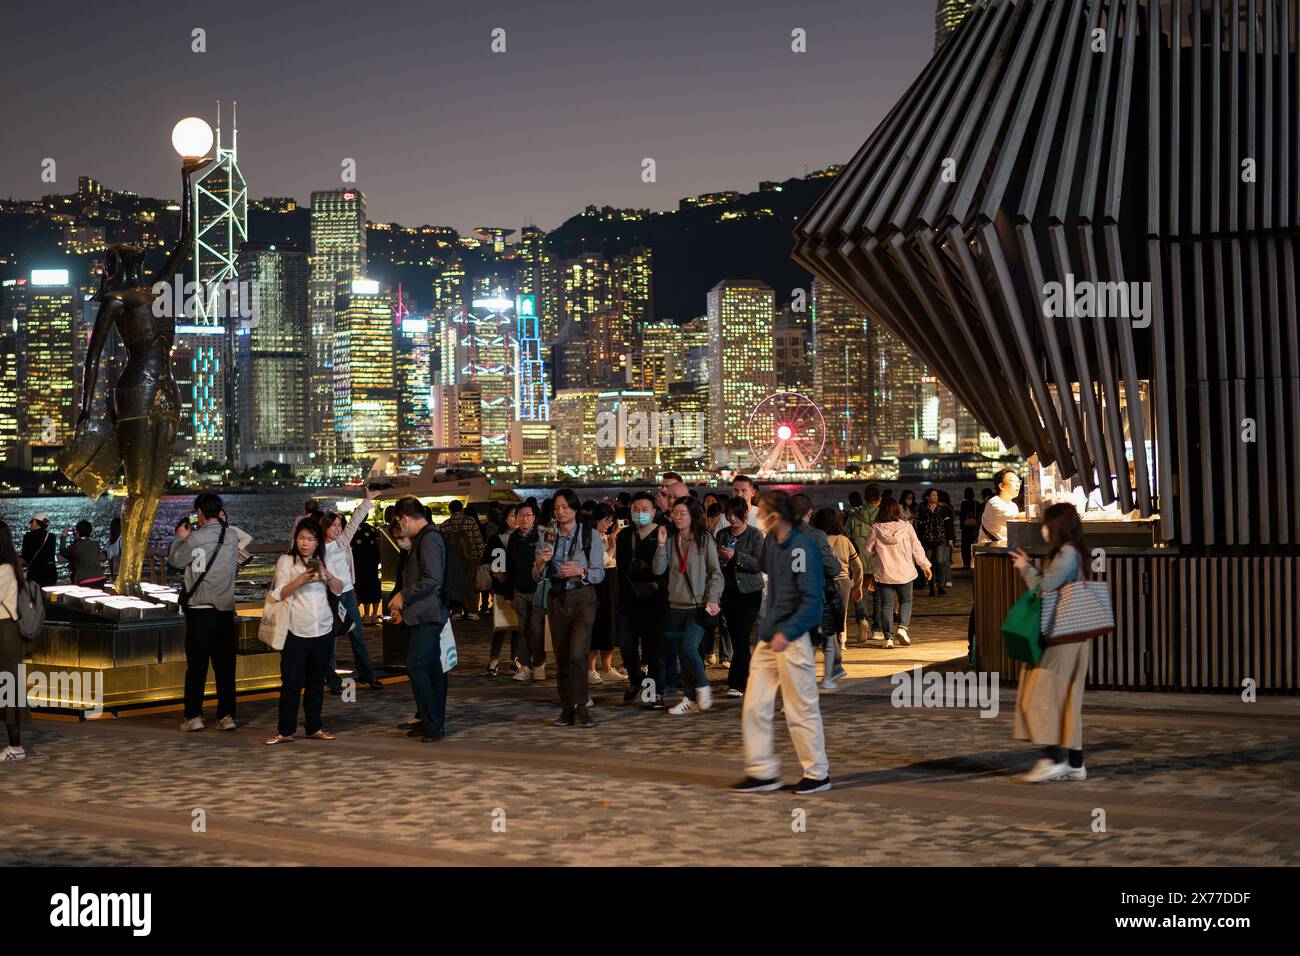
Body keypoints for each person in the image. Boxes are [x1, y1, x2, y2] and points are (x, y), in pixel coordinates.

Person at [732, 490, 831, 795]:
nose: (758, 516)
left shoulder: (802, 546)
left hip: (793, 637)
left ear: (776, 515)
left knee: (799, 706)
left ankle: (817, 772)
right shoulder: (772, 544)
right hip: (770, 635)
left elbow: (811, 599)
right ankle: (762, 771)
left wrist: (787, 632)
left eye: (763, 512)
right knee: (754, 704)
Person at [1009, 503, 1091, 782]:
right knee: (1068, 698)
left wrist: (1024, 569)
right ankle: (1075, 763)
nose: (1043, 529)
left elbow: (1044, 589)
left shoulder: (1067, 551)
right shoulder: (1072, 551)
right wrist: (1032, 564)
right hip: (1073, 633)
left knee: (1042, 691)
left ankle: (1053, 758)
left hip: (1062, 634)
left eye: (1046, 524)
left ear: (1056, 526)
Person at [264, 518, 345, 745]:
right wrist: (300, 580)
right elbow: (278, 593)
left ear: (318, 541)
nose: (305, 543)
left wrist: (327, 576)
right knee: (291, 682)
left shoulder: (324, 559)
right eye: (301, 538)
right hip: (295, 630)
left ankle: (314, 726)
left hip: (323, 628)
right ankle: (285, 730)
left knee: (316, 682)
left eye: (310, 539)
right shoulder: (286, 561)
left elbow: (339, 589)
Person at [168, 493, 242, 732]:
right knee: (225, 667)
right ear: (219, 511)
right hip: (225, 610)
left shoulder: (194, 538)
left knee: (197, 667)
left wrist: (179, 538)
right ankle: (227, 715)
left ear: (199, 512)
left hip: (200, 611)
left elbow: (177, 561)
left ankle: (194, 716)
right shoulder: (231, 536)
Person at [534, 489, 604, 727]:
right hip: (557, 598)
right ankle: (567, 709)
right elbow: (536, 575)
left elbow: (599, 572)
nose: (560, 511)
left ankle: (582, 705)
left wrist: (580, 571)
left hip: (583, 597)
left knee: (577, 654)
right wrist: (541, 562)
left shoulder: (590, 535)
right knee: (563, 657)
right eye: (556, 507)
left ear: (575, 509)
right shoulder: (547, 535)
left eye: (565, 507)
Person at [387, 496, 450, 743]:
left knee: (416, 665)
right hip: (424, 612)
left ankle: (433, 722)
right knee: (432, 667)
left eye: (399, 523)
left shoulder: (430, 538)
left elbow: (433, 579)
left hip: (430, 613)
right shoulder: (424, 538)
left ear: (404, 518)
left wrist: (404, 595)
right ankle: (429, 720)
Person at [652, 496, 723, 715]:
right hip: (675, 605)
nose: (678, 517)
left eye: (683, 513)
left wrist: (713, 598)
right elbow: (658, 569)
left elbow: (716, 573)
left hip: (698, 605)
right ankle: (689, 698)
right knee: (682, 655)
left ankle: (703, 687)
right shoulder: (672, 540)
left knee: (689, 649)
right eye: (675, 513)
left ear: (693, 515)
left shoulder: (704, 539)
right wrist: (662, 544)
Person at [321, 489, 384, 692]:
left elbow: (355, 521)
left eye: (339, 525)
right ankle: (332, 680)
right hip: (330, 597)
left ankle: (367, 674)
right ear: (325, 527)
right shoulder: (318, 548)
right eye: (334, 526)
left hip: (348, 594)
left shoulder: (342, 542)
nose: (338, 529)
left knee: (357, 634)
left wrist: (367, 501)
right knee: (330, 640)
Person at [614, 492, 666, 706]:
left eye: (645, 510)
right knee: (626, 645)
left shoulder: (663, 533)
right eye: (636, 510)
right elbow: (620, 568)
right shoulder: (625, 535)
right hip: (629, 599)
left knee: (654, 649)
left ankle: (654, 694)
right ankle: (636, 679)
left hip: (656, 600)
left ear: (654, 512)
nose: (640, 513)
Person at [790, 494, 843, 688]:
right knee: (826, 637)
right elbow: (833, 567)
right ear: (809, 512)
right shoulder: (817, 535)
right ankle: (827, 679)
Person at [865, 498, 932, 649]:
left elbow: (867, 549)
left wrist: (877, 553)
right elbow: (917, 548)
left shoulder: (876, 529)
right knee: (906, 602)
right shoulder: (907, 527)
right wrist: (925, 566)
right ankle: (902, 628)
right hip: (905, 571)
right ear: (897, 510)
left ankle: (888, 639)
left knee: (886, 605)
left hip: (884, 572)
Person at [715, 497, 763, 698]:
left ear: (745, 514)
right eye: (729, 516)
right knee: (736, 637)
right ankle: (748, 678)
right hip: (728, 592)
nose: (732, 519)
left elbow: (760, 563)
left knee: (742, 635)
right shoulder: (722, 534)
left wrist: (735, 557)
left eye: (736, 515)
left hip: (750, 592)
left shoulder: (754, 535)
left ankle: (737, 683)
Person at [813, 507, 863, 690]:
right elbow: (858, 566)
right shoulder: (844, 540)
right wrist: (857, 586)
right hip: (843, 582)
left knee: (825, 617)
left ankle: (833, 655)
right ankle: (839, 646)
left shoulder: (816, 539)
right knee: (839, 614)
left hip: (822, 581)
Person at [506, 502, 547, 683]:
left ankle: (539, 664)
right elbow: (510, 566)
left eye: (528, 515)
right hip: (519, 590)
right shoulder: (514, 538)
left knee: (535, 629)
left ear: (534, 517)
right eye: (520, 515)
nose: (524, 518)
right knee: (522, 630)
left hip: (537, 589)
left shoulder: (541, 535)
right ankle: (525, 665)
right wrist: (509, 592)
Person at [0, 521, 30, 760]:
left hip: (5, 632)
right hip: (4, 632)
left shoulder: (5, 570)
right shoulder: (10, 567)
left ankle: (16, 747)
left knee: (9, 688)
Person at [586, 503, 625, 685]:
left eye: (611, 521)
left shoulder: (603, 535)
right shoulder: (591, 536)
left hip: (610, 583)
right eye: (606, 521)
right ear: (596, 519)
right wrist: (610, 547)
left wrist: (612, 538)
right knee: (596, 626)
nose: (608, 524)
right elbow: (598, 561)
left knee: (609, 624)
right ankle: (590, 669)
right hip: (598, 585)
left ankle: (607, 667)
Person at [845, 484, 884, 643]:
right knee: (879, 597)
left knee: (859, 594)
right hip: (880, 561)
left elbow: (846, 537)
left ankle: (861, 619)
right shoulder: (883, 515)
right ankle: (877, 629)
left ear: (865, 498)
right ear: (880, 499)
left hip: (859, 561)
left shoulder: (854, 516)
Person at [486, 504, 521, 676]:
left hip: (518, 587)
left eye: (519, 515)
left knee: (517, 627)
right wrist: (497, 572)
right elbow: (489, 559)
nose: (516, 519)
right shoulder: (496, 538)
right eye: (513, 515)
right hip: (501, 587)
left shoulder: (524, 537)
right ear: (506, 517)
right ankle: (494, 658)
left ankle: (515, 659)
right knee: (501, 625)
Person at [441, 499, 484, 620]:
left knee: (455, 585)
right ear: (461, 509)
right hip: (472, 558)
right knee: (471, 584)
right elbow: (478, 540)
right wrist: (481, 556)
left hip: (453, 561)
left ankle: (456, 612)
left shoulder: (445, 525)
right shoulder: (471, 521)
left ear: (450, 510)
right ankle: (472, 611)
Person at [916, 489, 955, 596]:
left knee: (940, 562)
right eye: (933, 495)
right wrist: (918, 541)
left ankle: (941, 586)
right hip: (927, 540)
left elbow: (948, 526)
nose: (936, 497)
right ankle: (932, 587)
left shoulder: (943, 509)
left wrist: (950, 539)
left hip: (940, 540)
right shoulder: (922, 510)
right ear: (927, 497)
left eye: (937, 495)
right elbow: (919, 528)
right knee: (929, 563)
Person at [351, 516, 383, 624]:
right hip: (372, 564)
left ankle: (365, 614)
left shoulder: (353, 531)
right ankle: (374, 614)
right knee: (373, 586)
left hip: (358, 565)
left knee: (361, 587)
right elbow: (378, 546)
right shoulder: (373, 529)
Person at [979, 468, 1022, 545]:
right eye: (1013, 481)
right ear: (1001, 486)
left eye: (1019, 482)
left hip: (1004, 549)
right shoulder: (994, 503)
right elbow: (1015, 517)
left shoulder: (1013, 505)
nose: (1018, 485)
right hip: (988, 552)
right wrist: (1039, 512)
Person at [61, 521, 106, 586]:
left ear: (78, 533)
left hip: (84, 580)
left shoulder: (75, 546)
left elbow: (63, 551)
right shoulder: (96, 544)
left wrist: (63, 536)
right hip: (100, 578)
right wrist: (77, 536)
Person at [21, 513, 57, 588]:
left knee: (35, 597)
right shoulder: (51, 536)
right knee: (50, 597)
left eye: (31, 522)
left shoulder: (28, 536)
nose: (30, 524)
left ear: (35, 522)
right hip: (50, 573)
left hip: (35, 574)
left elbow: (25, 556)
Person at [959, 487, 980, 570]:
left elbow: (962, 516)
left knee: (965, 546)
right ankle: (974, 562)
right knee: (974, 544)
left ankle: (966, 563)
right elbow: (978, 516)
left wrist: (962, 526)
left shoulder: (963, 504)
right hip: (974, 528)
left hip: (966, 528)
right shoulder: (976, 503)